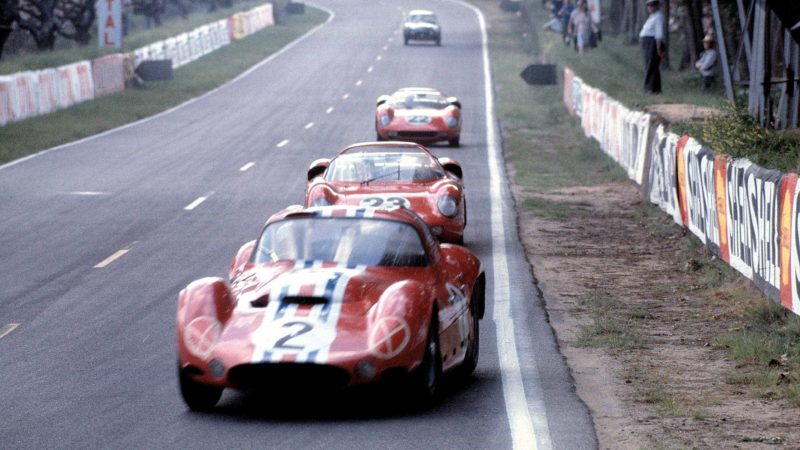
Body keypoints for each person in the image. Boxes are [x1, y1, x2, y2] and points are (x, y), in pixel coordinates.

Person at [639, 0, 666, 94]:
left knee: (651, 65)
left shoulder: (658, 17)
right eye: (649, 5)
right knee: (650, 65)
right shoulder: (652, 17)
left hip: (652, 42)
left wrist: (658, 47)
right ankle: (655, 88)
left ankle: (649, 88)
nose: (650, 7)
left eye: (652, 5)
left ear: (657, 5)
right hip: (647, 42)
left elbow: (658, 34)